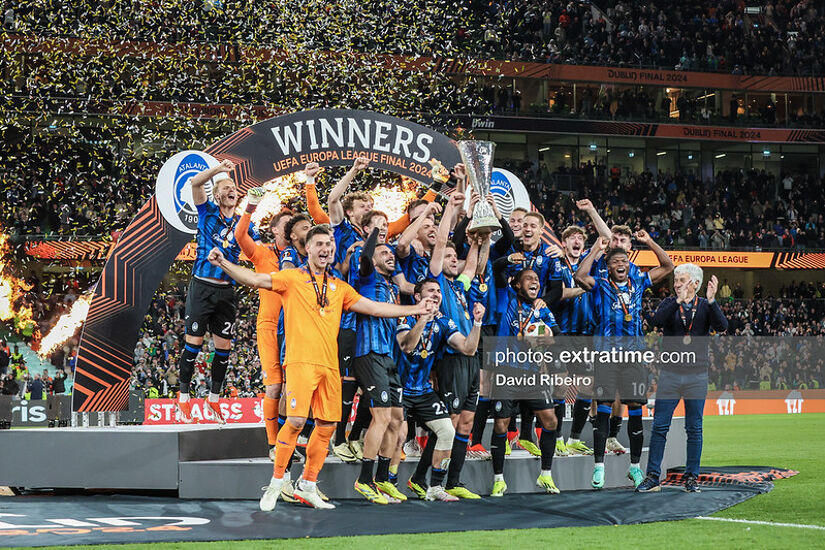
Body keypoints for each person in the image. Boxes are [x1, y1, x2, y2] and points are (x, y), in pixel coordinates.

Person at [207, 225, 429, 510]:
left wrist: (415, 310)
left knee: (326, 426)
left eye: (330, 245)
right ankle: (276, 483)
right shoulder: (291, 279)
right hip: (300, 362)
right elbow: (253, 278)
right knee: (297, 422)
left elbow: (374, 308)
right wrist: (224, 262)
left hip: (329, 365)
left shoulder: (339, 287)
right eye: (320, 244)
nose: (326, 249)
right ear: (308, 248)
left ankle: (308, 484)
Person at [575, 231, 674, 489]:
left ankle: (634, 468)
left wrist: (650, 242)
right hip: (605, 355)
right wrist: (597, 248)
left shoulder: (639, 281)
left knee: (635, 409)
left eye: (625, 261)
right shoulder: (600, 285)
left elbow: (668, 266)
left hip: (633, 357)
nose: (621, 265)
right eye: (616, 262)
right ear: (608, 267)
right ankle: (599, 468)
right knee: (604, 406)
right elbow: (579, 276)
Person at [177, 159, 258, 424]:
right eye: (225, 187)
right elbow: (195, 183)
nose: (231, 190)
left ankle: (214, 400)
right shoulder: (206, 211)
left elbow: (257, 249)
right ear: (217, 194)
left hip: (227, 291)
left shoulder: (244, 223)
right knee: (194, 344)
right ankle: (184, 398)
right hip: (202, 286)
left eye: (233, 187)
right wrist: (219, 171)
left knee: (224, 347)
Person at [638, 265, 727, 493]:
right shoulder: (670, 304)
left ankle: (692, 478)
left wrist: (712, 301)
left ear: (695, 284)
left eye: (682, 280)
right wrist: (677, 301)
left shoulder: (705, 306)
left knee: (694, 428)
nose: (676, 284)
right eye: (675, 280)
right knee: (659, 427)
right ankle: (652, 477)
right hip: (670, 375)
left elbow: (722, 326)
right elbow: (657, 320)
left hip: (697, 376)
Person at [400, 278, 484, 501]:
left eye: (438, 291)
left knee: (450, 429)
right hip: (399, 387)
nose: (436, 294)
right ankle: (385, 482)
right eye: (431, 291)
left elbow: (468, 348)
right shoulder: (405, 315)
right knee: (395, 434)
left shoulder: (445, 322)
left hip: (423, 390)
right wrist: (423, 318)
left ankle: (437, 486)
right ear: (417, 297)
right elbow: (408, 346)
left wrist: (477, 323)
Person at [489, 268, 561, 497]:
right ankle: (498, 479)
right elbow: (499, 273)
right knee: (501, 425)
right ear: (517, 284)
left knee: (551, 421)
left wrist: (545, 337)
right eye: (529, 279)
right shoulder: (507, 299)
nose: (535, 282)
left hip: (533, 373)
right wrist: (510, 262)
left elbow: (557, 337)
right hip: (506, 371)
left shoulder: (542, 309)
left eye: (537, 280)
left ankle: (546, 475)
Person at [235, 187, 292, 460]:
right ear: (275, 230)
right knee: (274, 387)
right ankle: (273, 444)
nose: (293, 228)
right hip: (270, 326)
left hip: (296, 328)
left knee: (294, 387)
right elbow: (239, 236)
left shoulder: (303, 256)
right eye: (287, 224)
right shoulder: (262, 253)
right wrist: (250, 207)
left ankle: (292, 441)